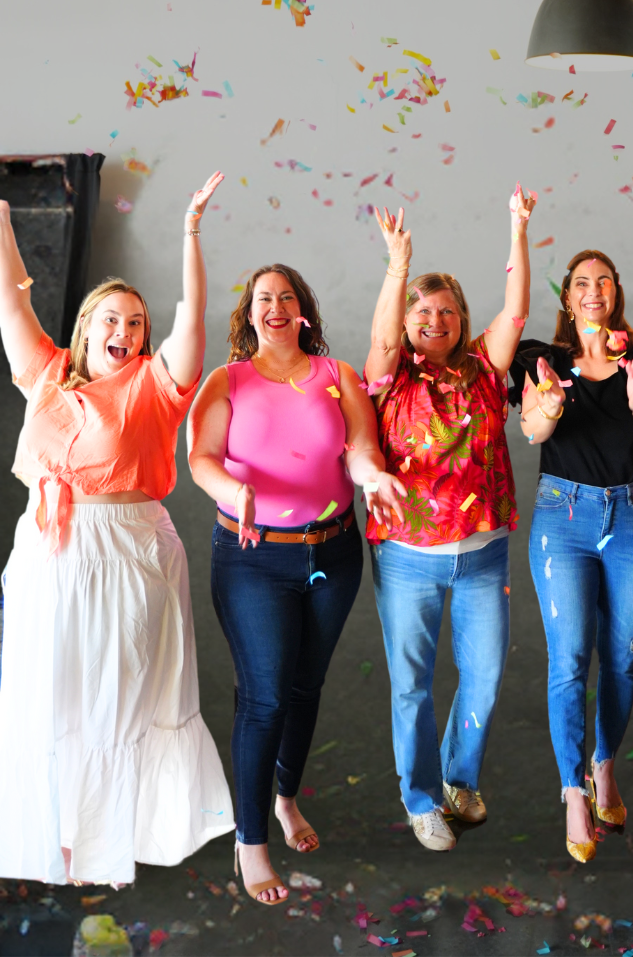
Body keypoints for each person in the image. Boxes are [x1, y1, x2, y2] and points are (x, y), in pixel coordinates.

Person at [0, 175, 233, 887]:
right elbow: (10, 298)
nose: (125, 333)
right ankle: (60, 839)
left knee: (117, 698)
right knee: (51, 695)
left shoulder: (158, 384)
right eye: (111, 319)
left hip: (128, 550)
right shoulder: (49, 372)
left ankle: (108, 842)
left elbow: (193, 318)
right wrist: (1, 216)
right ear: (86, 328)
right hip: (49, 552)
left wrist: (190, 230)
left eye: (135, 322)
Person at [188, 264, 403, 905]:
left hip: (332, 556)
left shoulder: (338, 378)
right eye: (263, 299)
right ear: (248, 313)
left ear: (303, 310)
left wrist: (372, 477)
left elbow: (361, 447)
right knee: (264, 698)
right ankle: (250, 840)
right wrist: (237, 491)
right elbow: (200, 459)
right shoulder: (227, 381)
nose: (275, 308)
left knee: (305, 686)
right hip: (253, 558)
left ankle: (284, 800)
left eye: (286, 298)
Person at [364, 187, 536, 853]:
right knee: (411, 684)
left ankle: (460, 778)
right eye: (423, 311)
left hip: (483, 553)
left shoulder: (485, 370)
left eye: (447, 311)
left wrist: (517, 227)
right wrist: (397, 265)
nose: (435, 321)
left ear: (463, 319)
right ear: (408, 319)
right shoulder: (390, 374)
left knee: (485, 676)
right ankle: (420, 798)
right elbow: (381, 335)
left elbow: (516, 309)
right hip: (408, 556)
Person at [513, 249, 633, 862]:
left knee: (624, 653)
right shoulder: (544, 361)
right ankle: (573, 791)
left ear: (616, 291)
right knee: (570, 657)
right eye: (582, 282)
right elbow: (533, 431)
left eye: (603, 280)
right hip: (565, 518)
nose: (593, 290)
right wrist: (550, 403)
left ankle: (605, 763)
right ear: (569, 297)